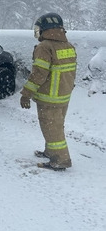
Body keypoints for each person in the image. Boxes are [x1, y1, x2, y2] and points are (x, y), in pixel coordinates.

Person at [20, 12, 77, 171]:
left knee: (52, 129)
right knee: (55, 126)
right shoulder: (68, 46)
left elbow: (39, 73)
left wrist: (26, 93)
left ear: (45, 29)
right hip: (63, 96)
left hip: (49, 98)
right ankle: (51, 152)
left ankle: (61, 161)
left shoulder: (45, 47)